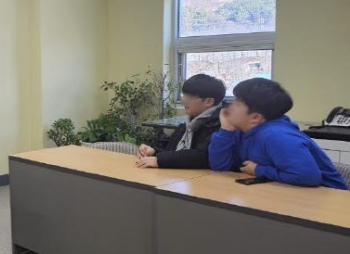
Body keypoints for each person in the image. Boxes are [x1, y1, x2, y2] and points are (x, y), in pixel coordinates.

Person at [209, 78, 347, 189]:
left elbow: (307, 177)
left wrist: (259, 170)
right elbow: (220, 167)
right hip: (281, 191)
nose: (229, 106)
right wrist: (226, 130)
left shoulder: (276, 135)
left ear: (255, 117)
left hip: (331, 201)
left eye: (237, 103)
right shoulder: (240, 130)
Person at [136, 74, 227, 169]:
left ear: (209, 102)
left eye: (190, 97)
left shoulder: (222, 124)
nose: (183, 100)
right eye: (184, 95)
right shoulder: (190, 122)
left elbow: (202, 156)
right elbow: (172, 151)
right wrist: (154, 151)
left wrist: (160, 160)